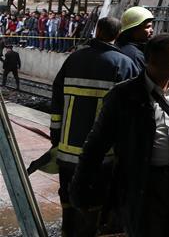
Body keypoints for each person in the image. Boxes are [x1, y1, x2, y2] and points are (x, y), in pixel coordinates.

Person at [70, 34, 169, 237]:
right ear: (153, 61)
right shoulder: (124, 96)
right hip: (144, 184)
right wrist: (79, 188)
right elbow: (96, 144)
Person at [49, 16, 139, 236]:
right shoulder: (125, 64)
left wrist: (56, 138)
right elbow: (131, 114)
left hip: (67, 152)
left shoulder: (73, 59)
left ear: (97, 31)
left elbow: (57, 101)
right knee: (94, 204)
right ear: (118, 35)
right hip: (101, 157)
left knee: (68, 200)